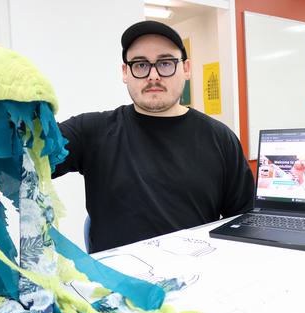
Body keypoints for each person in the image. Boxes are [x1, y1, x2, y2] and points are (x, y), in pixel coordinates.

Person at [53, 20, 255, 253]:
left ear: (186, 69)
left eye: (166, 63)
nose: (153, 75)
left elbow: (243, 221)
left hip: (197, 279)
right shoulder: (92, 131)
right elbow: (28, 154)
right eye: (140, 65)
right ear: (125, 72)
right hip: (119, 283)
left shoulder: (221, 139)